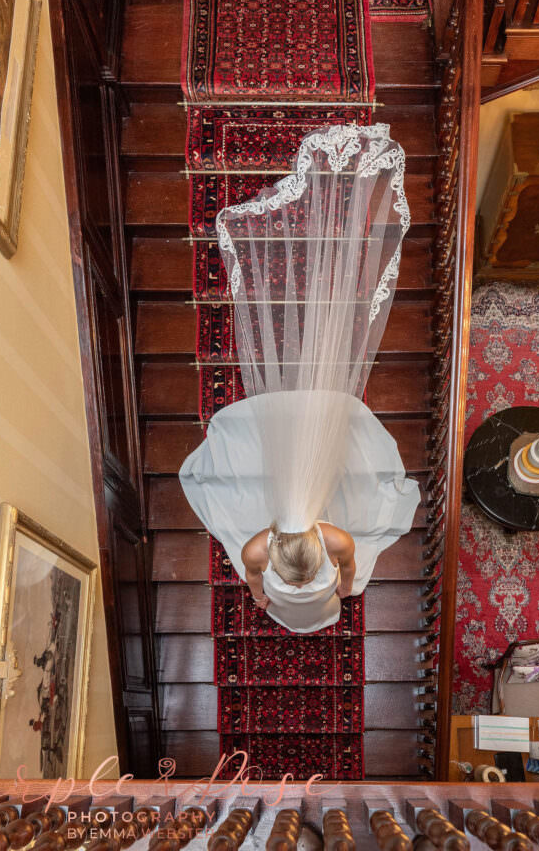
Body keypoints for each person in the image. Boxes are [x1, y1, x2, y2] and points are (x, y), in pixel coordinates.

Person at [179, 124, 420, 633]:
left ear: (315, 542)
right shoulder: (298, 544)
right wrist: (265, 596)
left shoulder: (305, 544)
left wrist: (324, 590)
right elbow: (267, 579)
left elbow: (342, 574)